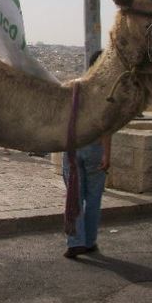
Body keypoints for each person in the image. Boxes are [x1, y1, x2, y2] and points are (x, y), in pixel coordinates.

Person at [63, 50, 112, 259]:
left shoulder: (75, 87)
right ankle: (90, 241)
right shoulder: (107, 93)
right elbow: (107, 126)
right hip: (95, 148)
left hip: (74, 148)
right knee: (93, 200)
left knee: (75, 195)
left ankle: (76, 241)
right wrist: (106, 154)